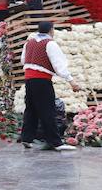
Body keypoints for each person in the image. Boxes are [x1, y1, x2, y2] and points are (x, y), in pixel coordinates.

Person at [20, 21, 80, 151]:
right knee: (48, 111)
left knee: (31, 110)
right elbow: (59, 65)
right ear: (51, 30)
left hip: (29, 80)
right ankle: (55, 142)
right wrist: (71, 81)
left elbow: (23, 61)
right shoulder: (50, 43)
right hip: (42, 80)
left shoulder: (29, 42)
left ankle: (26, 138)